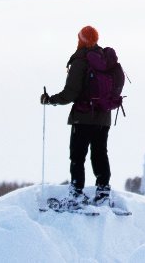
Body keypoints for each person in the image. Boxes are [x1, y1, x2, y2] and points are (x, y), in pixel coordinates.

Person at [40, 25, 114, 206]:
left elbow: (71, 93)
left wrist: (50, 100)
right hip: (103, 117)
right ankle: (103, 191)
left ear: (81, 40)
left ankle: (76, 193)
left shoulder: (80, 60)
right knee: (100, 154)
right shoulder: (104, 59)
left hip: (83, 117)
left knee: (77, 156)